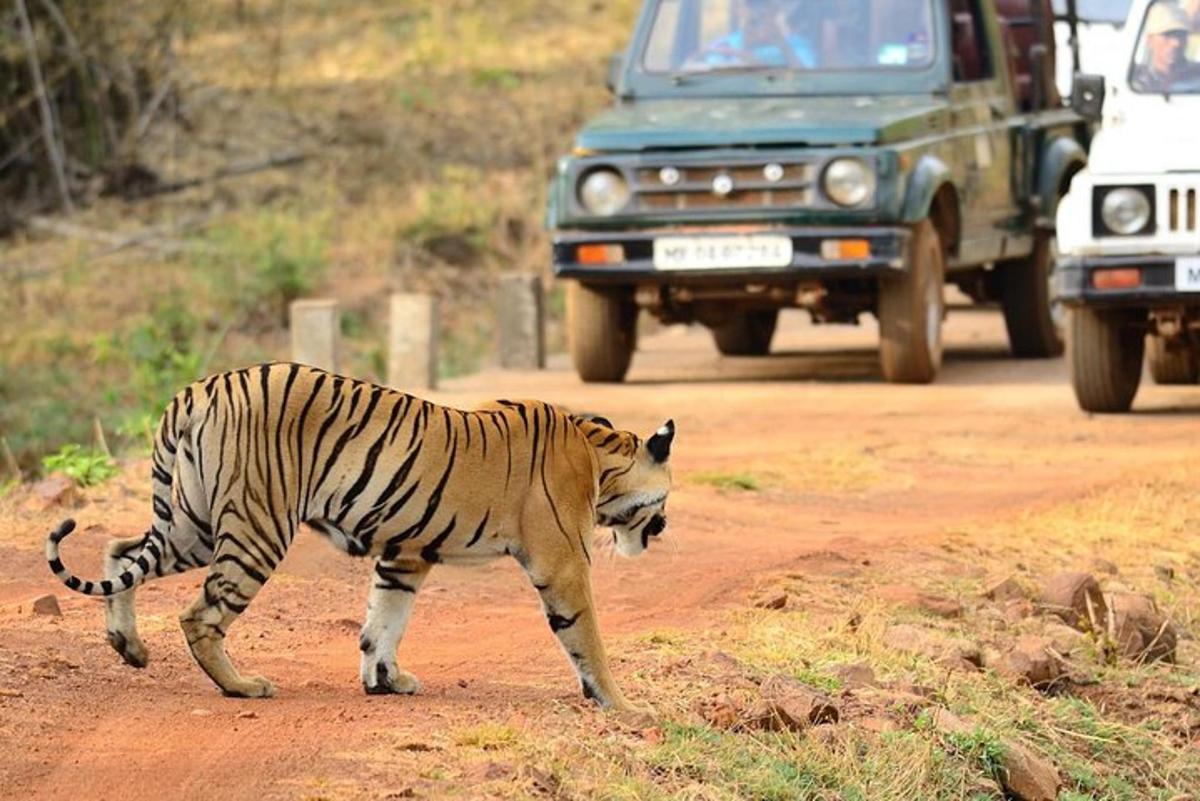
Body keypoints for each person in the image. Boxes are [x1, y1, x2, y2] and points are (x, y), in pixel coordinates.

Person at [692, 0, 816, 69]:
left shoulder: (796, 47)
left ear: (776, 12)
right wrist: (699, 55)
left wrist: (783, 47)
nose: (757, 13)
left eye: (765, 11)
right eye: (752, 5)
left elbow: (809, 82)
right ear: (742, 11)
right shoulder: (724, 44)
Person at [1130, 1, 1200, 91]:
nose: (1176, 43)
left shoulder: (1196, 75)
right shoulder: (1136, 80)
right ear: (1150, 40)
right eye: (1167, 35)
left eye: (1181, 35)